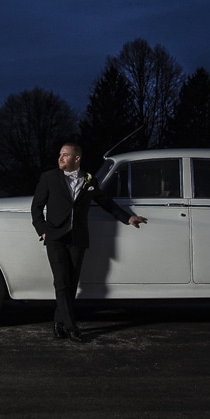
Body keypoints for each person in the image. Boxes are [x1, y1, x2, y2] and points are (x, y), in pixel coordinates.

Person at [31, 142, 146, 342]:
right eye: (60, 154)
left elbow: (106, 202)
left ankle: (59, 323)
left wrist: (127, 218)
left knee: (72, 284)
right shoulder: (49, 178)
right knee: (61, 282)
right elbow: (36, 207)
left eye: (65, 155)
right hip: (55, 237)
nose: (60, 158)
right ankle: (71, 326)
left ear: (77, 158)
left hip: (78, 238)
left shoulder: (89, 181)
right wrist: (43, 231)